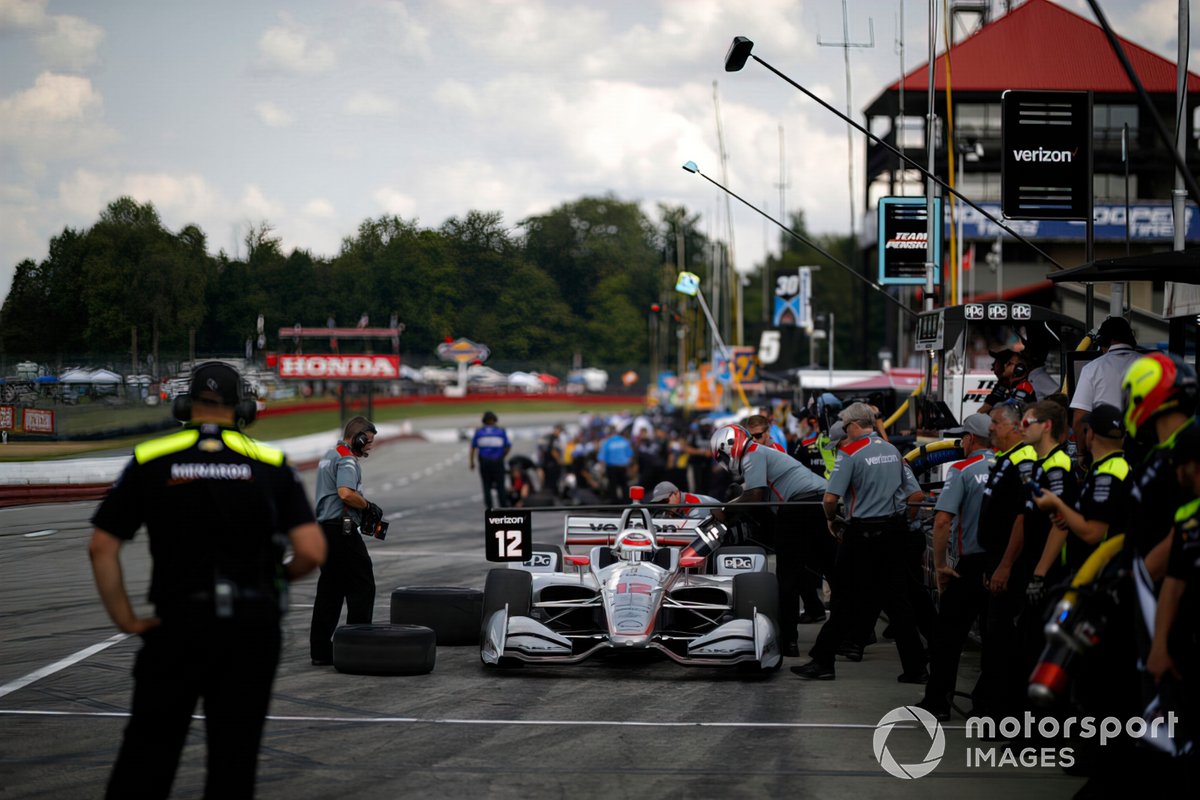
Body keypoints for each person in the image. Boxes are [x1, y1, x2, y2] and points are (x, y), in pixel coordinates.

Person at [89, 361, 325, 799]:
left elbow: (102, 546)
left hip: (177, 627)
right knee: (233, 764)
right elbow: (312, 550)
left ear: (185, 406)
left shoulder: (151, 459)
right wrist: (276, 578)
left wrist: (126, 619)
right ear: (245, 409)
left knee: (146, 761)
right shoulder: (271, 463)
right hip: (251, 629)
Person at [792, 402, 928, 681]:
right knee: (899, 602)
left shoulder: (850, 453)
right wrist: (905, 521)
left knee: (843, 598)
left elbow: (830, 499)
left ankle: (823, 661)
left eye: (844, 426)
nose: (843, 430)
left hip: (861, 536)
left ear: (854, 425)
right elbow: (915, 495)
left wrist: (832, 520)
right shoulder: (892, 450)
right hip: (893, 533)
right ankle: (916, 668)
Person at [709, 424, 828, 657]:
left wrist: (723, 511)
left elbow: (754, 496)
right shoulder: (763, 453)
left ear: (731, 445)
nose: (724, 461)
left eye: (723, 455)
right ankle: (851, 637)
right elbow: (748, 494)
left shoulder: (753, 454)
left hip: (799, 506)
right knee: (828, 571)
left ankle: (789, 642)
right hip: (819, 504)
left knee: (787, 579)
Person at [917, 413, 997, 721]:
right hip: (1002, 564)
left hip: (970, 566)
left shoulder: (963, 470)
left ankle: (938, 702)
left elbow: (942, 521)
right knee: (995, 639)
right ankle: (986, 705)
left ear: (971, 439)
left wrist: (940, 567)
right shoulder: (1009, 467)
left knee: (946, 637)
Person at [1029, 403, 1130, 589]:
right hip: (1098, 571)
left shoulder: (1108, 474)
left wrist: (1058, 505)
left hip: (1100, 575)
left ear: (1090, 434)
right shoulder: (1109, 466)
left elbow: (1092, 533)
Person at [309, 416, 383, 667]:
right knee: (363, 586)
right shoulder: (347, 459)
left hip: (324, 530)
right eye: (369, 442)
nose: (370, 447)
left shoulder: (330, 454)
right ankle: (358, 647)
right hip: (342, 532)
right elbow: (345, 493)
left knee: (330, 590)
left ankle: (320, 650)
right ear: (359, 438)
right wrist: (368, 505)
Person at [1070, 316, 1140, 437]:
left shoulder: (1092, 369)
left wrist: (1081, 453)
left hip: (1105, 443)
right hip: (1143, 444)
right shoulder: (1152, 364)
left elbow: (1079, 418)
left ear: (1103, 342)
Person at [470, 411, 511, 508]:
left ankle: (489, 508)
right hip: (497, 461)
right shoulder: (500, 431)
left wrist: (471, 462)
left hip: (484, 462)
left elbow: (473, 448)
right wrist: (502, 456)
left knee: (486, 486)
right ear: (494, 420)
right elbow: (508, 446)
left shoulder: (479, 432)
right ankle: (503, 507)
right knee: (500, 485)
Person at [978, 348, 1036, 415]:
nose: (1005, 366)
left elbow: (1012, 414)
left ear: (1019, 369)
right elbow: (985, 408)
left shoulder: (1023, 388)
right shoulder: (1004, 384)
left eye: (1009, 364)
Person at [597, 425, 635, 502]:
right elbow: (630, 456)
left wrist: (601, 471)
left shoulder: (607, 442)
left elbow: (602, 458)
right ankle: (626, 503)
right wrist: (629, 469)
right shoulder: (624, 441)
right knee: (624, 486)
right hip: (623, 467)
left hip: (611, 468)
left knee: (612, 486)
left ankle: (614, 504)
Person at [649, 480, 720, 519]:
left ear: (676, 493)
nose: (663, 505)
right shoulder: (671, 509)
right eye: (660, 503)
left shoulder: (695, 507)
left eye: (665, 501)